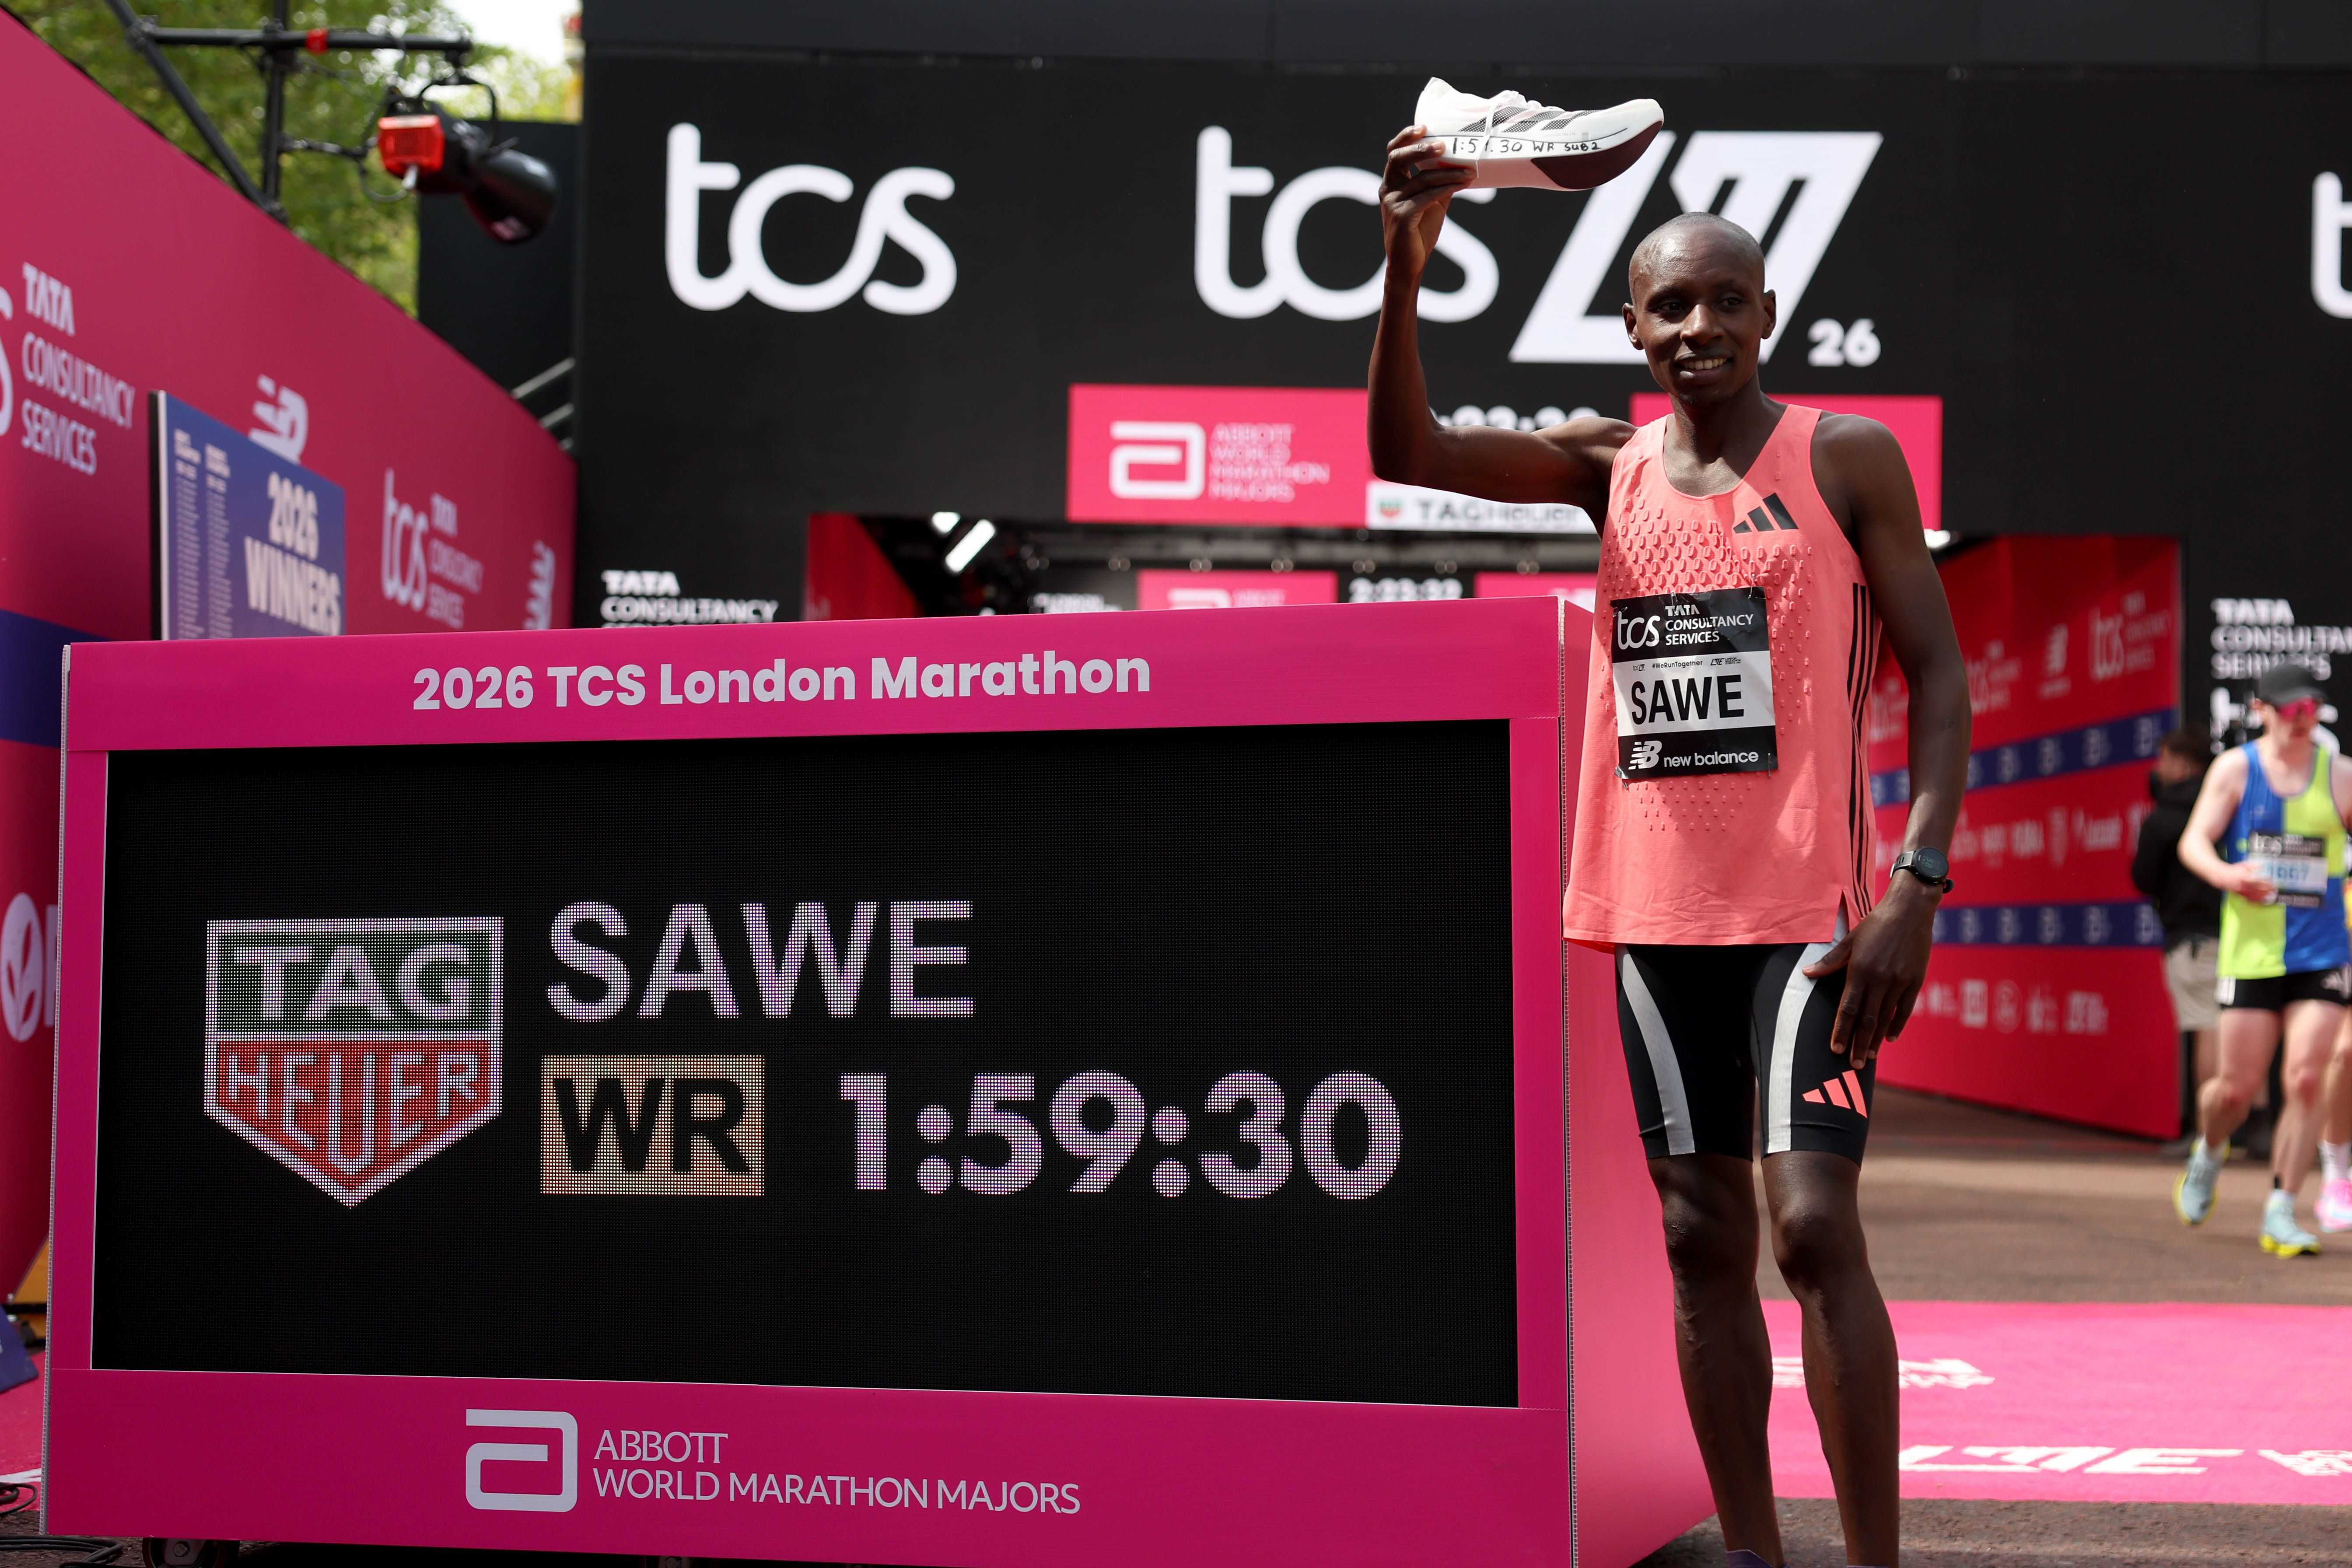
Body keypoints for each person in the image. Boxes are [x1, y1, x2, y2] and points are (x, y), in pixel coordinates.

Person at [1369, 129, 1969, 1568]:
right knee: (1699, 1242)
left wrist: (1917, 887)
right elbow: (1407, 451)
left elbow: (1940, 681)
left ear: (1765, 313)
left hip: (1811, 918)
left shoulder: (1842, 455)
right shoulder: (1607, 467)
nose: (1696, 326)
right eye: (1667, 306)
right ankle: (1756, 1555)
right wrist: (1404, 272)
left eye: (1721, 299)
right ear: (1630, 327)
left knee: (1812, 1227)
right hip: (1651, 916)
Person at [2172, 661, 2352, 1255]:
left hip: (2321, 949)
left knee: (2304, 1078)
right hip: (2252, 953)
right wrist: (2229, 874)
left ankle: (2282, 1208)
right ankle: (2210, 1149)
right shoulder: (2234, 770)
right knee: (2234, 1090)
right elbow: (2193, 841)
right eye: (2291, 709)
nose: (2304, 720)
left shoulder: (2339, 774)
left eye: (2313, 709)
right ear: (2262, 711)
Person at [2130, 726, 2233, 1149]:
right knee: (2245, 1027)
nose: (2158, 769)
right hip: (2243, 932)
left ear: (2180, 763)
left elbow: (2143, 879)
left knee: (2208, 1027)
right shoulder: (2234, 806)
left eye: (2163, 759)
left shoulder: (2164, 818)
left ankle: (2209, 1133)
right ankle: (2255, 1125)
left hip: (2193, 936)